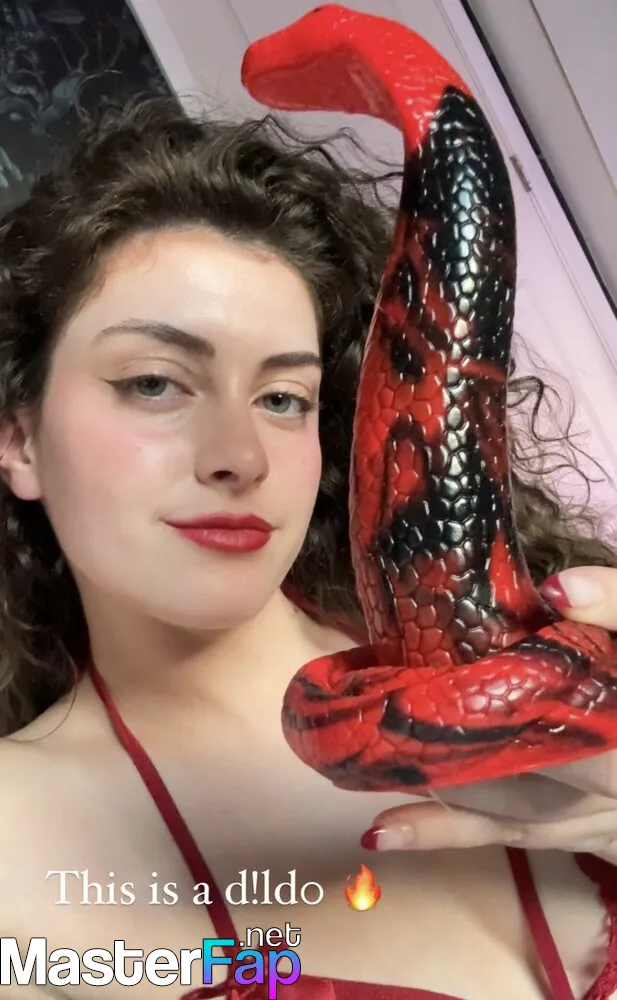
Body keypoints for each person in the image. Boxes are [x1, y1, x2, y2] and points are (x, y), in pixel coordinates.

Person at [0, 94, 616, 1000]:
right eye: (155, 383)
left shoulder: (557, 682)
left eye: (282, 398)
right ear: (19, 440)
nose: (240, 457)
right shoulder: (17, 859)